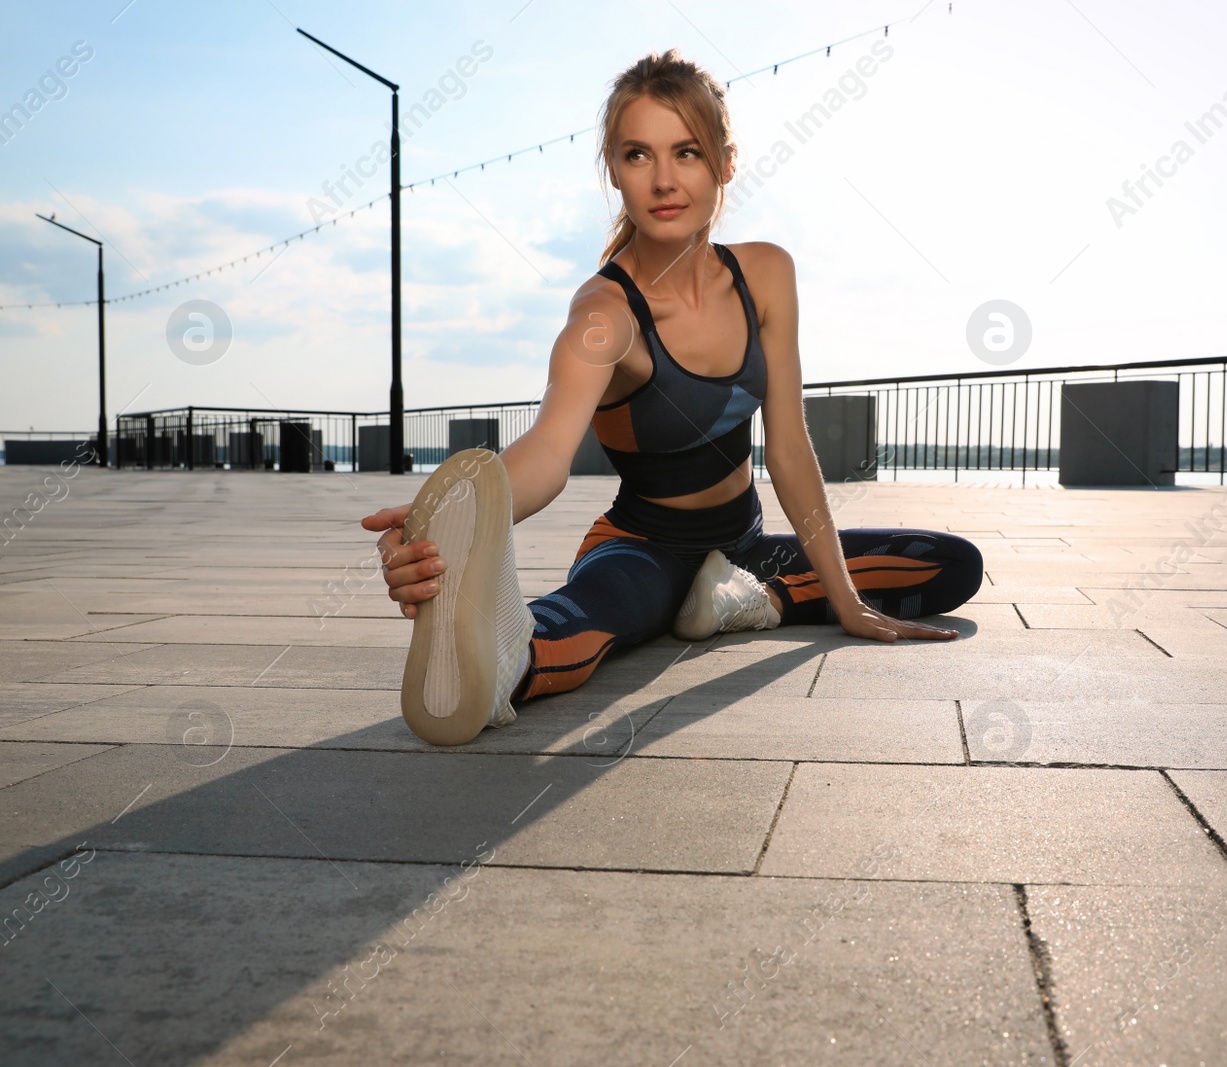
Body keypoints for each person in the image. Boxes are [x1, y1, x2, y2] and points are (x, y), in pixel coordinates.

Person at [361, 49, 983, 746]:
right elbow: (549, 449)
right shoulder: (604, 315)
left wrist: (848, 605)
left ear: (725, 162)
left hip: (746, 546)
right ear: (614, 170)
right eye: (638, 155)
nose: (663, 180)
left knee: (952, 563)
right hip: (641, 549)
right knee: (593, 620)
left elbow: (788, 447)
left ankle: (745, 600)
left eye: (686, 152)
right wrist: (459, 515)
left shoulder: (765, 275)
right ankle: (502, 657)